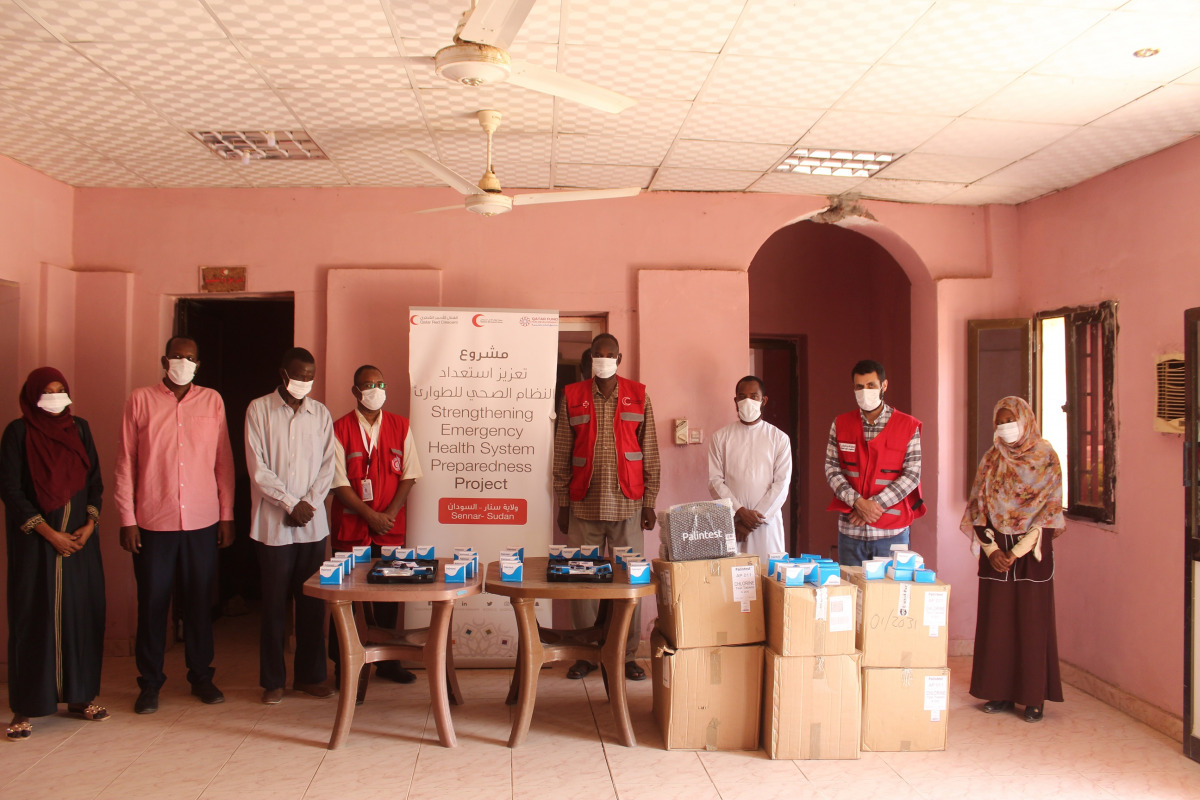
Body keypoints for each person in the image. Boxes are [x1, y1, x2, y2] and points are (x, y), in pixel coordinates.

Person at [115, 336, 236, 714]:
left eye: (191, 357)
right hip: (153, 521)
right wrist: (126, 518)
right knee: (153, 604)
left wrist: (226, 514)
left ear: (199, 364)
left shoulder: (212, 400)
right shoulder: (140, 400)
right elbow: (125, 463)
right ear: (164, 359)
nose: (183, 362)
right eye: (177, 356)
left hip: (202, 519)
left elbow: (223, 462)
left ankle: (201, 676)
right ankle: (149, 683)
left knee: (200, 601)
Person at [1, 368, 107, 740]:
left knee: (81, 615)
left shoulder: (80, 429)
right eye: (47, 391)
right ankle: (25, 706)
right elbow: (11, 490)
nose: (55, 396)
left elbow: (95, 482)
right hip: (36, 544)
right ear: (32, 396)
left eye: (61, 390)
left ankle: (81, 697)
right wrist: (48, 533)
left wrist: (90, 525)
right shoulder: (18, 433)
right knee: (35, 618)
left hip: (80, 541)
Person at [553, 333, 660, 681]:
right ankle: (586, 652)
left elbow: (650, 451)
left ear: (619, 358)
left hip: (628, 503)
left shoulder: (639, 395)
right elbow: (563, 453)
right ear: (590, 358)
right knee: (580, 582)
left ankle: (626, 654)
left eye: (609, 354)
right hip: (583, 503)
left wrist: (650, 502)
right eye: (597, 354)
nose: (603, 359)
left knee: (629, 581)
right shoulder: (573, 395)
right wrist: (563, 503)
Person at [960, 396, 1065, 722]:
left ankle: (1033, 698)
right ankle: (999, 692)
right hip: (996, 550)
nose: (1004, 426)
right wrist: (993, 551)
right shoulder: (992, 458)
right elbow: (977, 507)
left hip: (1030, 553)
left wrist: (1016, 552)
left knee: (1032, 624)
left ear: (1025, 419)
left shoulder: (1046, 456)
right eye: (999, 420)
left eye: (1010, 419)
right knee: (998, 624)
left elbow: (1050, 511)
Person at [245, 347, 337, 705]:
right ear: (283, 374)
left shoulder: (321, 414)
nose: (304, 383)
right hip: (272, 526)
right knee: (273, 606)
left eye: (310, 377)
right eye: (299, 376)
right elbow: (257, 467)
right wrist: (288, 503)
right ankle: (273, 681)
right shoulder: (258, 409)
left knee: (313, 603)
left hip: (312, 526)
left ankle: (311, 677)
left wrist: (309, 504)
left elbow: (328, 465)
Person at [329, 365, 422, 686]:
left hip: (390, 529)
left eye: (380, 383)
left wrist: (389, 514)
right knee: (347, 598)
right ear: (355, 391)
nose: (375, 389)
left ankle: (388, 662)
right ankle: (345, 664)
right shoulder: (339, 429)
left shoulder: (401, 426)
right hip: (352, 529)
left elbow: (409, 474)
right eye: (367, 384)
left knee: (389, 596)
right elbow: (338, 483)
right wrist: (370, 516)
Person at [824, 359, 924, 566]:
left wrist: (873, 507)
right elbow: (831, 468)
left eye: (871, 385)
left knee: (888, 595)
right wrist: (859, 503)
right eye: (859, 387)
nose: (865, 391)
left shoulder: (908, 426)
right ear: (853, 388)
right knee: (852, 594)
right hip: (851, 532)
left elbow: (912, 475)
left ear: (884, 386)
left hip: (893, 532)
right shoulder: (841, 424)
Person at [707, 375, 792, 559]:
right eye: (742, 396)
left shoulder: (779, 438)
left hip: (766, 526)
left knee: (768, 578)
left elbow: (781, 485)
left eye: (754, 396)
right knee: (732, 581)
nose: (747, 401)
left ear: (764, 400)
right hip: (733, 524)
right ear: (735, 400)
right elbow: (715, 482)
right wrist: (739, 512)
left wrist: (751, 522)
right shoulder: (720, 437)